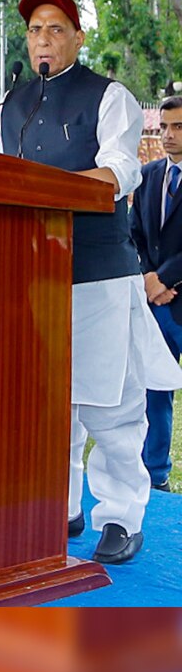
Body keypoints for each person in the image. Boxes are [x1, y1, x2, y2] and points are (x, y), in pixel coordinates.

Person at [0, 0, 182, 564]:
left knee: (110, 403)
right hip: (31, 272)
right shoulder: (10, 105)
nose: (42, 39)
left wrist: (50, 189)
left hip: (97, 272)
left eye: (54, 29)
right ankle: (61, 506)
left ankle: (122, 514)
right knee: (48, 401)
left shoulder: (110, 96)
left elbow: (122, 171)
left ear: (76, 36)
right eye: (34, 31)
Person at [129, 95, 182, 494]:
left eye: (178, 127)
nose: (169, 135)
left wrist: (165, 278)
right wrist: (148, 275)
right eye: (165, 127)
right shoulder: (147, 176)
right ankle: (156, 472)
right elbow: (134, 234)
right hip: (158, 305)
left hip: (170, 290)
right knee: (156, 387)